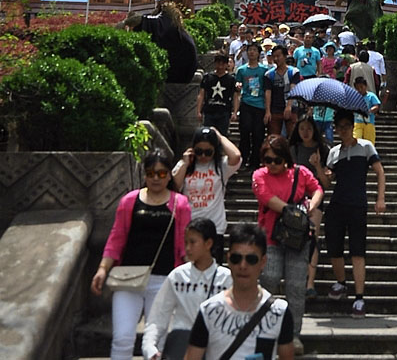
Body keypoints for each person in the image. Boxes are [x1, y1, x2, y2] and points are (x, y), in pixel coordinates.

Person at [92, 149, 191, 360]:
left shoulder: (179, 203)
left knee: (156, 343)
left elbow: (186, 245)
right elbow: (117, 237)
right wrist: (102, 269)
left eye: (162, 173)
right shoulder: (129, 201)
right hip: (128, 279)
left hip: (164, 281)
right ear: (144, 174)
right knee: (122, 337)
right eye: (151, 173)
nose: (156, 178)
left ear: (169, 175)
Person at [252, 134, 323, 354]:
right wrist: (290, 211)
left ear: (285, 158)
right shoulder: (259, 175)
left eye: (276, 160)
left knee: (295, 288)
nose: (272, 164)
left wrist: (311, 206)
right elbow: (265, 197)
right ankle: (262, 329)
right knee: (269, 280)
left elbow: (317, 188)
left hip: (298, 239)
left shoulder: (300, 173)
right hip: (271, 236)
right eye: (268, 160)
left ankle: (293, 335)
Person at [184, 222, 294, 360]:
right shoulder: (209, 311)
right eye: (237, 258)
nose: (243, 266)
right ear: (228, 259)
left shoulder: (280, 312)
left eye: (251, 259)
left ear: (263, 262)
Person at [324, 108, 385, 318]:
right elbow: (326, 182)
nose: (343, 130)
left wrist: (380, 198)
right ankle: (341, 283)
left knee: (358, 251)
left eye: (346, 127)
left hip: (358, 203)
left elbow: (379, 172)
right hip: (337, 203)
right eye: (339, 127)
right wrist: (317, 167)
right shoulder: (333, 152)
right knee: (334, 247)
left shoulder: (366, 147)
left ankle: (359, 298)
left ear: (352, 127)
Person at [142, 218, 231, 360]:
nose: (187, 248)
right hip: (181, 345)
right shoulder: (177, 276)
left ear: (208, 243)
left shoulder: (227, 278)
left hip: (215, 348)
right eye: (186, 242)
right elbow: (158, 317)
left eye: (193, 242)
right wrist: (149, 347)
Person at [172, 127, 241, 264]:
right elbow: (174, 187)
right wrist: (185, 164)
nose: (203, 156)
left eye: (208, 152)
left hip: (215, 228)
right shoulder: (185, 166)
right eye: (199, 151)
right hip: (190, 227)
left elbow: (236, 156)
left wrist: (219, 136)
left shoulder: (221, 166)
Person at [289, 117, 331, 297]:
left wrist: (317, 166)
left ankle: (310, 282)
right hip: (296, 197)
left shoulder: (324, 150)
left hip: (316, 196)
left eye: (308, 129)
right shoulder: (294, 149)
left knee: (313, 236)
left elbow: (326, 183)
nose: (305, 132)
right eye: (301, 129)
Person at [234, 41, 268, 168]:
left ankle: (255, 161)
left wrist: (267, 109)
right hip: (246, 103)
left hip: (260, 105)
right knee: (244, 132)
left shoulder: (264, 70)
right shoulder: (241, 70)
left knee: (258, 134)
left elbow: (267, 90)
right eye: (250, 50)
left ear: (259, 53)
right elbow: (237, 90)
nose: (252, 52)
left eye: (254, 50)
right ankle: (243, 159)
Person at [264, 44, 301, 137]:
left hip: (291, 108)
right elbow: (268, 92)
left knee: (293, 136)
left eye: (278, 56)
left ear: (285, 56)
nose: (276, 58)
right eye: (274, 56)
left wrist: (289, 106)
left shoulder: (294, 72)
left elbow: (293, 88)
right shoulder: (269, 74)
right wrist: (267, 111)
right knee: (273, 136)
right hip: (275, 109)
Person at [197, 52, 236, 136]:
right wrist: (199, 111)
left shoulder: (231, 79)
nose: (220, 66)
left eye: (223, 64)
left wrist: (235, 112)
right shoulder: (207, 77)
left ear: (226, 64)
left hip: (224, 112)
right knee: (207, 135)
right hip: (209, 111)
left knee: (222, 136)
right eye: (218, 63)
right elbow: (201, 94)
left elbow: (235, 96)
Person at [351, 76, 381, 144]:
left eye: (361, 87)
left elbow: (376, 106)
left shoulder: (371, 96)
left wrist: (369, 111)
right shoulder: (354, 96)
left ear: (366, 86)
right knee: (356, 140)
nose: (360, 89)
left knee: (369, 142)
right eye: (358, 88)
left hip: (369, 122)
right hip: (357, 122)